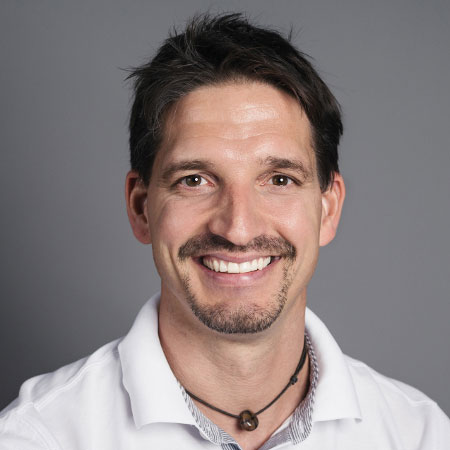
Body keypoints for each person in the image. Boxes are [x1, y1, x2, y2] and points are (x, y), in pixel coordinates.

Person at [1, 13, 449, 450]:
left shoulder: (419, 435)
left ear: (328, 209)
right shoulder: (39, 438)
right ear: (141, 208)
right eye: (195, 180)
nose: (238, 228)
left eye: (279, 180)